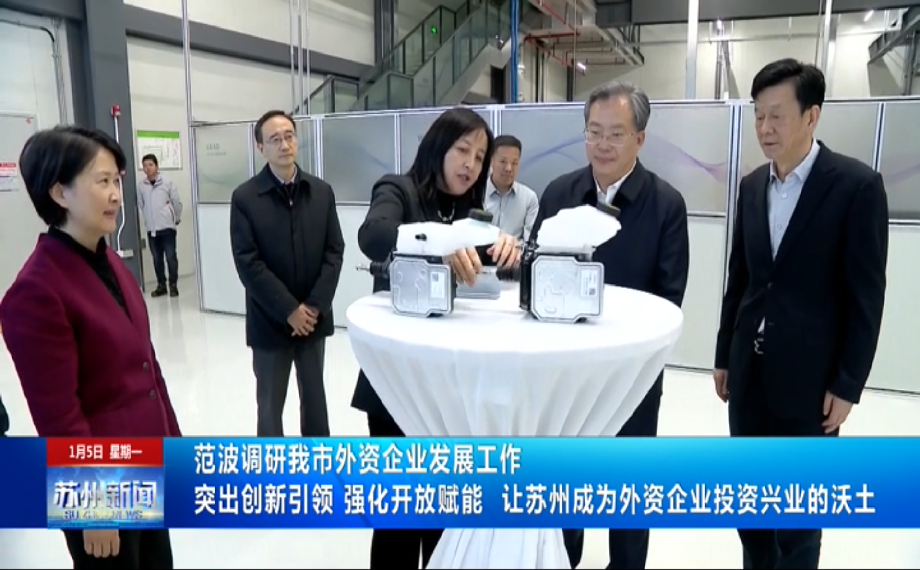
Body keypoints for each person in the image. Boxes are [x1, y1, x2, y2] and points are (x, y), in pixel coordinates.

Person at [713, 59, 889, 570]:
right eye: (758, 115)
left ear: (811, 116)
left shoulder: (855, 186)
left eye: (777, 115)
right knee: (750, 506)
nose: (764, 128)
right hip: (749, 374)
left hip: (811, 384)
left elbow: (866, 296)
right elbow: (740, 279)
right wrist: (724, 354)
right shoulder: (752, 186)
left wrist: (848, 383)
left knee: (799, 514)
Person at [0, 126, 180, 568]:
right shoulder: (36, 291)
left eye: (117, 180)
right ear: (59, 192)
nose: (116, 194)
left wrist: (173, 449)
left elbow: (148, 365)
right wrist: (90, 505)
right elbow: (57, 415)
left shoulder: (110, 259)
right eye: (102, 181)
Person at [351, 107, 521, 569]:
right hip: (397, 383)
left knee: (444, 519)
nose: (471, 163)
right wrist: (435, 245)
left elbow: (494, 262)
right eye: (463, 149)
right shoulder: (397, 189)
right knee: (398, 518)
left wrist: (508, 249)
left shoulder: (471, 214)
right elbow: (374, 235)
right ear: (438, 146)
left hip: (453, 389)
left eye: (480, 156)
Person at [535, 81, 690, 570]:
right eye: (594, 131)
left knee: (629, 492)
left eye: (616, 134)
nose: (602, 144)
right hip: (566, 375)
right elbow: (538, 275)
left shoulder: (666, 204)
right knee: (568, 490)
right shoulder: (560, 193)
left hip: (631, 378)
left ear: (639, 138)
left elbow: (669, 299)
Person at [230, 109, 344, 438]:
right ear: (260, 148)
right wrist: (288, 310)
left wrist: (313, 307)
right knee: (269, 407)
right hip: (270, 321)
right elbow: (248, 262)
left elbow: (334, 251)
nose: (284, 145)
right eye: (274, 139)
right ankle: (272, 466)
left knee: (315, 402)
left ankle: (318, 462)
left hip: (313, 321)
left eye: (289, 136)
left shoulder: (320, 192)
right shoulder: (246, 198)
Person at [137, 153, 183, 298]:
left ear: (157, 166)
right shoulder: (141, 186)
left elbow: (176, 203)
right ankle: (161, 285)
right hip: (152, 229)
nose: (147, 168)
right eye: (145, 165)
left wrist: (175, 218)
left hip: (167, 228)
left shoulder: (167, 182)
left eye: (150, 165)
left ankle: (173, 285)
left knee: (171, 257)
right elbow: (141, 205)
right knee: (157, 259)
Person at [484, 134, 539, 241]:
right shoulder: (476, 194)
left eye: (514, 163)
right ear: (491, 161)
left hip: (516, 251)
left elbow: (530, 242)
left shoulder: (529, 198)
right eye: (503, 161)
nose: (509, 168)